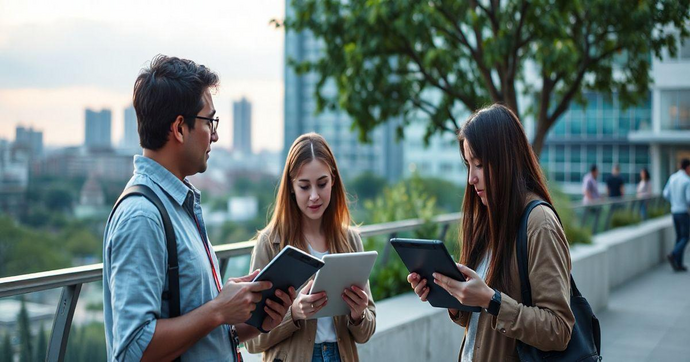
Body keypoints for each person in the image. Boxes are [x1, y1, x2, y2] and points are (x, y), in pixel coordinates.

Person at [103, 55, 293, 361]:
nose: (215, 135)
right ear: (180, 128)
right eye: (210, 121)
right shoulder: (142, 216)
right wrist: (217, 310)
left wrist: (253, 319)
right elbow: (132, 349)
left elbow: (201, 333)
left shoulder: (179, 205)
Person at [407, 105, 574, 361]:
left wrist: (492, 300)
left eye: (480, 165)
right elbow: (479, 323)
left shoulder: (539, 223)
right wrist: (452, 297)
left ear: (506, 160)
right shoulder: (487, 218)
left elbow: (559, 329)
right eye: (468, 165)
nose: (471, 178)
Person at [246, 133, 376, 362]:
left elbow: (366, 333)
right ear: (291, 187)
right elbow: (252, 342)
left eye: (322, 184)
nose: (314, 196)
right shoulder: (269, 243)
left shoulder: (351, 240)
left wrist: (358, 315)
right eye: (304, 186)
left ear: (333, 180)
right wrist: (293, 314)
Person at [663, 159, 690, 272]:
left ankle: (678, 264)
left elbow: (665, 194)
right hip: (683, 212)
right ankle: (674, 254)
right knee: (685, 237)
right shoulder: (687, 180)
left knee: (679, 237)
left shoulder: (672, 177)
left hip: (674, 211)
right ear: (687, 167)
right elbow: (689, 199)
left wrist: (674, 202)